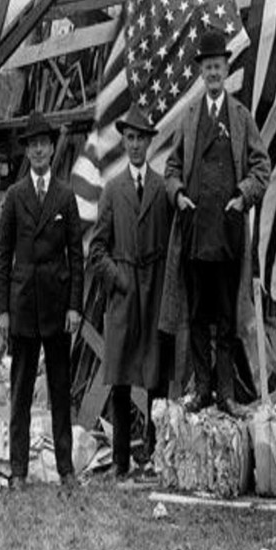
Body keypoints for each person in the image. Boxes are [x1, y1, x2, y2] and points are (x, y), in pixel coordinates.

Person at [161, 29, 271, 415]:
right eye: (206, 67)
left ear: (226, 69)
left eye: (217, 66)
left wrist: (244, 195)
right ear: (200, 72)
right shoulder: (190, 118)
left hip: (227, 233)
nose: (212, 73)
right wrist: (178, 194)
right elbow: (171, 167)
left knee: (226, 318)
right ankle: (202, 389)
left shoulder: (240, 117)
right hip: (194, 232)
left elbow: (263, 165)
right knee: (195, 316)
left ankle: (226, 394)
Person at [0, 112, 84, 492]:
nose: (39, 150)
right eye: (32, 145)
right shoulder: (15, 197)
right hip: (23, 306)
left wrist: (74, 306)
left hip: (57, 307)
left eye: (44, 143)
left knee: (60, 391)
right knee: (21, 393)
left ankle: (65, 468)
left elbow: (76, 257)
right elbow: (3, 256)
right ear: (26, 152)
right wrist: (2, 310)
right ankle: (19, 471)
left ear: (51, 148)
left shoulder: (65, 195)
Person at [89, 103, 172, 477]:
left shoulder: (160, 188)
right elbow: (97, 250)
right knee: (121, 378)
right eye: (131, 138)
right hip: (124, 293)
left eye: (142, 139)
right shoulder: (113, 189)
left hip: (154, 291)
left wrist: (165, 287)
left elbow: (173, 243)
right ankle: (122, 460)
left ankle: (155, 455)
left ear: (150, 144)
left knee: (156, 377)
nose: (136, 145)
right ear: (124, 142)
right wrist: (118, 279)